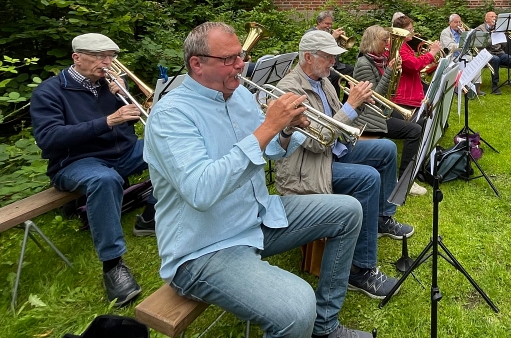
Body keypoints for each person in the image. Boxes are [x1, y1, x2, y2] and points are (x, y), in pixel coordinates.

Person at [144, 22, 370, 338]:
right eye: (229, 59)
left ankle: (325, 327)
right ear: (197, 64)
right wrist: (267, 128)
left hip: (255, 216)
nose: (241, 65)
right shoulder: (171, 115)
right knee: (297, 306)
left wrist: (287, 129)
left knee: (348, 211)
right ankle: (312, 321)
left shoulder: (238, 97)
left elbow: (273, 152)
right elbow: (201, 191)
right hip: (205, 246)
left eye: (241, 56)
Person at [276, 30, 413, 300]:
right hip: (308, 168)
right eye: (328, 57)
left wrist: (359, 106)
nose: (333, 63)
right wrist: (351, 105)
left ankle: (382, 218)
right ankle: (359, 271)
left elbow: (341, 123)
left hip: (333, 151)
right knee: (367, 178)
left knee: (385, 149)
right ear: (307, 57)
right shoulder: (289, 89)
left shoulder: (323, 79)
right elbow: (317, 142)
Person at [30, 33, 156, 306]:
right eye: (100, 56)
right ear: (77, 57)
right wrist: (108, 121)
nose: (108, 63)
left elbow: (128, 124)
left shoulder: (108, 85)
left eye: (111, 57)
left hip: (121, 153)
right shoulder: (49, 92)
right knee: (104, 180)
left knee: (168, 148)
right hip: (75, 162)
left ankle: (150, 216)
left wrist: (123, 98)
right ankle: (113, 264)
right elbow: (50, 139)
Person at [353, 25, 426, 197]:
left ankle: (416, 168)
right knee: (414, 130)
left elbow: (386, 91)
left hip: (380, 109)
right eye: (384, 41)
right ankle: (405, 180)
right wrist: (389, 73)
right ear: (372, 41)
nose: (387, 45)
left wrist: (393, 73)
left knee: (419, 120)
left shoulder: (377, 60)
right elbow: (374, 97)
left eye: (388, 41)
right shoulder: (364, 64)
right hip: (369, 115)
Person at [392, 15, 443, 108]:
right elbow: (413, 65)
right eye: (410, 29)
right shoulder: (399, 47)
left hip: (411, 90)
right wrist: (432, 53)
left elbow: (414, 61)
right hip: (405, 96)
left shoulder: (404, 45)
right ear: (401, 31)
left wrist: (427, 55)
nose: (413, 32)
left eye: (412, 29)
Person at [439, 13, 484, 95]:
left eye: (460, 22)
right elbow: (450, 47)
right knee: (464, 61)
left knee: (476, 61)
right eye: (456, 22)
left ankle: (476, 87)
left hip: (463, 54)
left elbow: (470, 44)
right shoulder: (445, 32)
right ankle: (460, 86)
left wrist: (466, 35)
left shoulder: (461, 31)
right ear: (450, 23)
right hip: (452, 56)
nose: (459, 24)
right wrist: (463, 42)